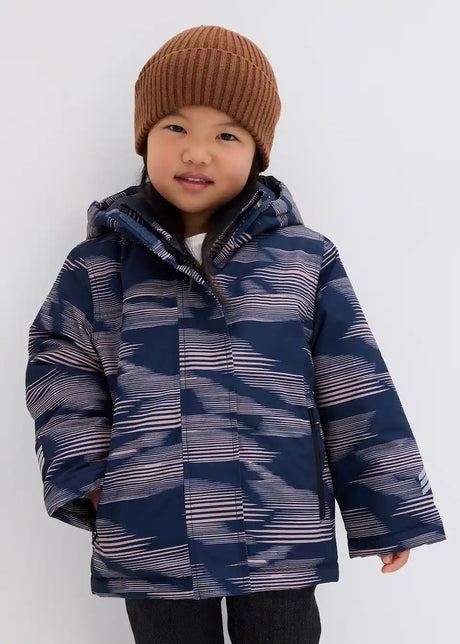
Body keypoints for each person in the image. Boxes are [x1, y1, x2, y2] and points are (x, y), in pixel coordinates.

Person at [25, 24, 447, 644]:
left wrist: (389, 506)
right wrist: (88, 477)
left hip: (278, 525)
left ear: (257, 152)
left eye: (226, 135)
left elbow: (354, 384)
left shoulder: (303, 260)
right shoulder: (100, 267)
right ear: (144, 138)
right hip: (152, 526)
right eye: (176, 128)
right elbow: (60, 368)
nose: (197, 152)